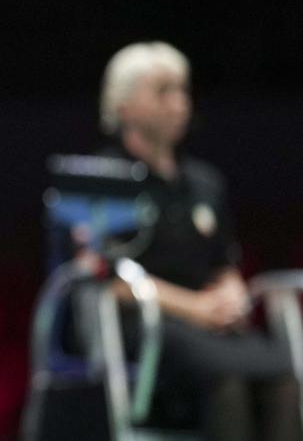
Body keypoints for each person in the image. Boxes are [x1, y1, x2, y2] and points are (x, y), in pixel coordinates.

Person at [96, 41, 300, 440]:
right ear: (124, 106)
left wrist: (232, 294)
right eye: (163, 92)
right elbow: (110, 280)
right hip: (149, 326)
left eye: (183, 91)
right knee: (227, 381)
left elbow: (223, 262)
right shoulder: (105, 182)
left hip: (210, 325)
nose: (179, 104)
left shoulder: (205, 183)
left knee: (285, 375)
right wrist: (194, 307)